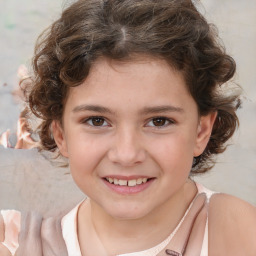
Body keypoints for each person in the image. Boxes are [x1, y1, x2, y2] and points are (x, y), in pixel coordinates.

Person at [0, 0, 255, 255]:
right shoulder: (13, 240)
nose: (127, 154)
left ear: (201, 131)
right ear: (60, 134)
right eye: (97, 121)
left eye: (159, 121)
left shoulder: (239, 232)